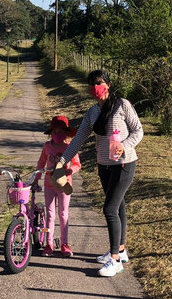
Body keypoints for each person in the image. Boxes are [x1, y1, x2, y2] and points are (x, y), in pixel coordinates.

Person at [54, 70, 143, 277]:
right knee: (118, 205)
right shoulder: (92, 113)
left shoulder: (122, 105)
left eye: (100, 82)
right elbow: (78, 140)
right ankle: (120, 250)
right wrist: (61, 160)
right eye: (92, 84)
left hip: (124, 163)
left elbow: (138, 130)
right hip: (104, 165)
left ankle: (114, 261)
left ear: (108, 85)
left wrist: (125, 145)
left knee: (110, 208)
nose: (96, 87)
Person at [33, 115, 81, 257]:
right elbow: (41, 163)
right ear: (51, 133)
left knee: (63, 214)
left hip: (64, 185)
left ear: (66, 133)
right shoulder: (47, 147)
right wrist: (36, 179)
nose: (57, 135)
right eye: (54, 132)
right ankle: (49, 243)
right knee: (50, 215)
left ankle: (64, 243)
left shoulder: (70, 148)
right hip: (49, 185)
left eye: (60, 132)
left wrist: (70, 170)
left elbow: (78, 164)